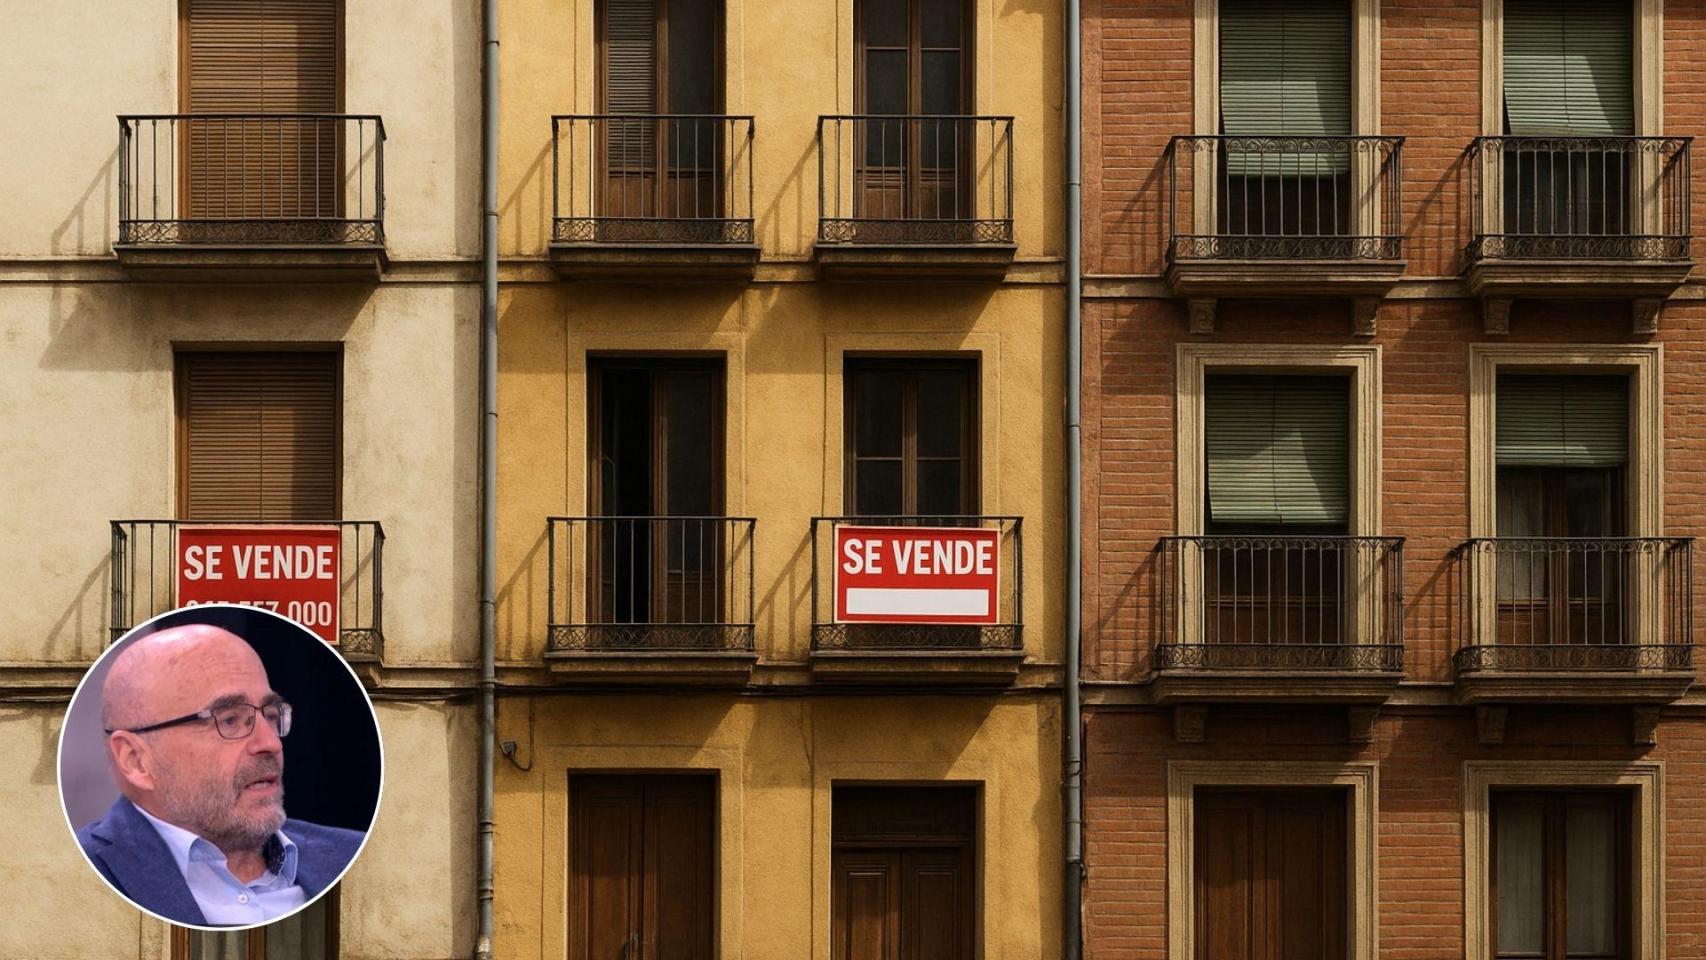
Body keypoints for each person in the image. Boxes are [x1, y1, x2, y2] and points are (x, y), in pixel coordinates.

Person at [75, 623, 365, 926]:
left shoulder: (358, 856)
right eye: (229, 720)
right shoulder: (73, 883)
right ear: (136, 760)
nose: (270, 743)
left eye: (269, 715)